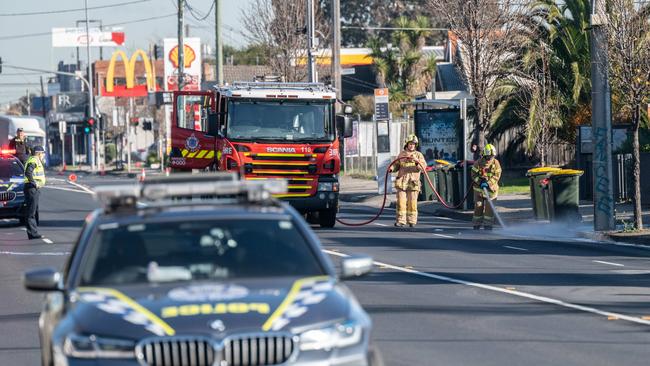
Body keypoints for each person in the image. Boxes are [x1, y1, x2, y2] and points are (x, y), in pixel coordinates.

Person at [392, 134, 426, 227]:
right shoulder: (401, 154)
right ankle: (401, 221)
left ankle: (412, 221)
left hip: (413, 183)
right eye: (410, 144)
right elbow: (396, 165)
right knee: (401, 202)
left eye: (414, 144)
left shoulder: (419, 155)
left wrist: (416, 161)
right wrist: (392, 168)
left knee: (412, 203)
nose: (412, 146)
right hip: (402, 182)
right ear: (407, 144)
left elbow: (423, 168)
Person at [471, 144, 502, 230]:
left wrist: (488, 183)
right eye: (488, 157)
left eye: (492, 157)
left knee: (489, 209)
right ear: (484, 155)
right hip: (479, 191)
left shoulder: (496, 163)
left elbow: (497, 176)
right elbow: (473, 175)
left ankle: (488, 225)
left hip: (491, 190)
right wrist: (480, 181)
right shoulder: (478, 163)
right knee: (478, 207)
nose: (490, 159)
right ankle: (476, 225)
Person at [23, 146, 46, 240]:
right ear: (39, 153)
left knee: (33, 211)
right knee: (31, 212)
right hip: (31, 188)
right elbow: (28, 172)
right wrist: (34, 183)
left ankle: (33, 232)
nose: (43, 155)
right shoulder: (34, 160)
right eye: (43, 153)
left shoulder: (35, 160)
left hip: (33, 189)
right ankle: (33, 233)